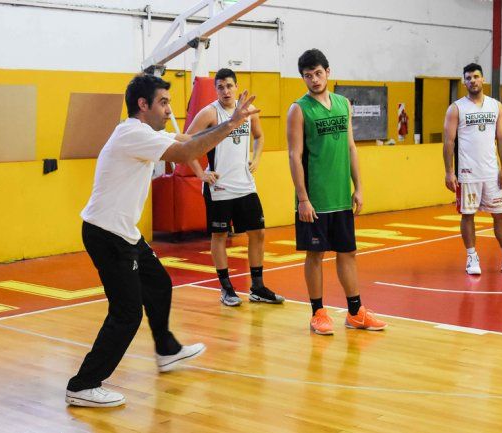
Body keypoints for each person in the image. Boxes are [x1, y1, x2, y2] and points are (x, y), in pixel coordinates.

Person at [65, 74, 259, 407]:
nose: (169, 109)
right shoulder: (132, 134)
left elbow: (189, 138)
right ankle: (83, 385)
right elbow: (186, 152)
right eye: (163, 102)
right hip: (107, 234)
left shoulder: (145, 134)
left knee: (158, 283)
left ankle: (166, 350)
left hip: (124, 232)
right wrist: (230, 125)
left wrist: (228, 124)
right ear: (143, 105)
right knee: (127, 314)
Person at [286, 48, 387, 335]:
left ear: (328, 72)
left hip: (341, 196)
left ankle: (355, 312)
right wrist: (303, 198)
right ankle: (318, 312)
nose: (314, 79)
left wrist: (359, 187)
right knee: (315, 255)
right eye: (308, 75)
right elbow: (294, 155)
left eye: (318, 73)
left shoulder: (343, 103)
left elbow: (351, 147)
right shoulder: (299, 109)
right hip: (314, 200)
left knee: (347, 253)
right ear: (303, 78)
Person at [186, 68, 285, 307]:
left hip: (245, 185)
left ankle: (258, 287)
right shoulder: (210, 113)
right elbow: (186, 143)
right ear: (215, 89)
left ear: (236, 86)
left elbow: (259, 137)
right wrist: (200, 173)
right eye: (220, 87)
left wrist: (256, 158)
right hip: (219, 187)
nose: (226, 91)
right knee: (220, 235)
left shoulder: (249, 111)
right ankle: (226, 288)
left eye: (229, 86)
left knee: (258, 233)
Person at [442, 63, 502, 276]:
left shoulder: (495, 106)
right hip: (467, 173)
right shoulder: (456, 108)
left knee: (501, 215)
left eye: (476, 76)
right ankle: (472, 257)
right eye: (468, 78)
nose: (472, 81)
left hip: (491, 173)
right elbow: (448, 142)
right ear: (464, 82)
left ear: (483, 79)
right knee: (468, 215)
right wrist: (449, 171)